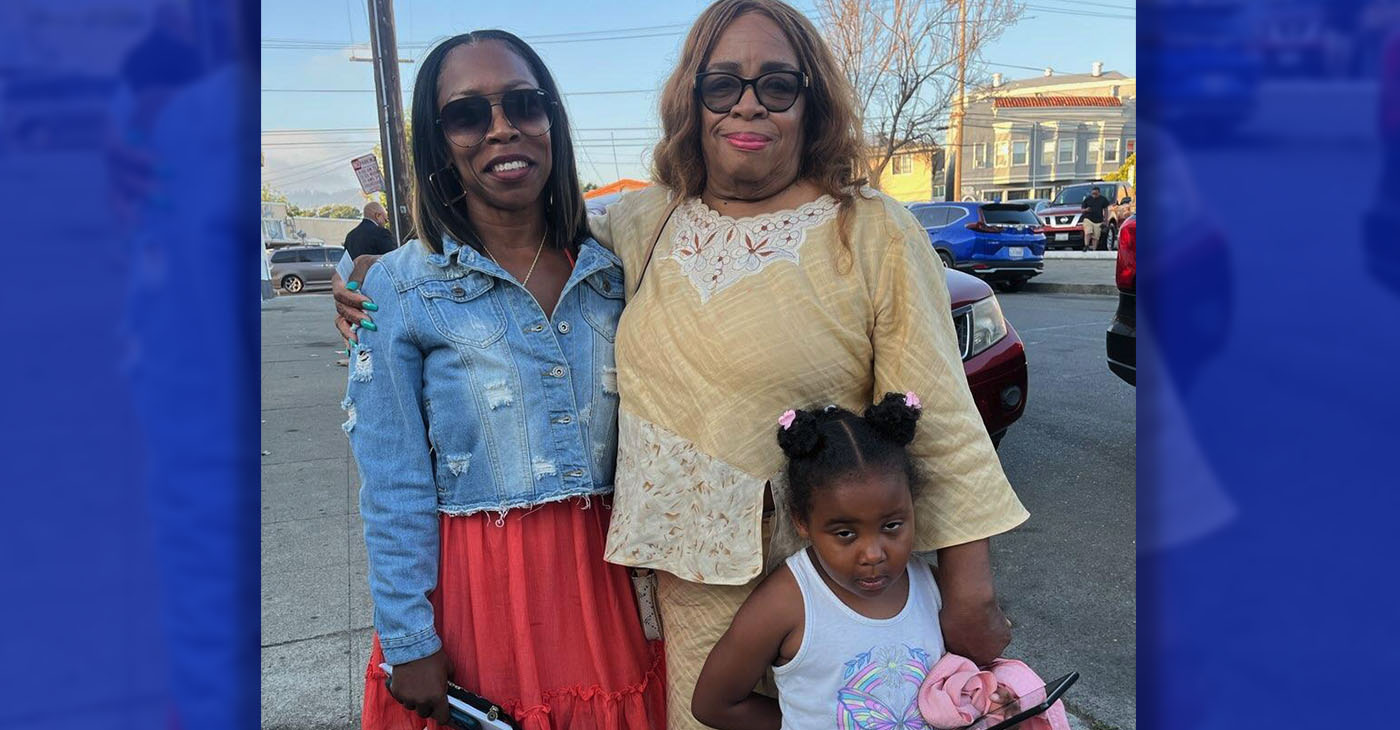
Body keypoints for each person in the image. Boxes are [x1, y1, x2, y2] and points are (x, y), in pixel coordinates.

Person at [336, 4, 1027, 727]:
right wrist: (375, 267)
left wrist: (970, 588)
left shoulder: (873, 228)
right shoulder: (643, 224)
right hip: (686, 591)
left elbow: (938, 417)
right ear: (691, 102)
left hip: (838, 581)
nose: (749, 104)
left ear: (811, 100)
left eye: (778, 85)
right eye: (722, 84)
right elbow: (508, 236)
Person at [342, 30, 664, 730]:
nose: (502, 128)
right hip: (473, 600)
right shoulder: (400, 286)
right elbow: (392, 479)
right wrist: (407, 638)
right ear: (438, 140)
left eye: (524, 103)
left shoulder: (615, 269)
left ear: (552, 121)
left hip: (604, 591)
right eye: (467, 114)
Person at [691, 393, 947, 730]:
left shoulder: (931, 586)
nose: (873, 554)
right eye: (845, 534)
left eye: (892, 526)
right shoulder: (787, 601)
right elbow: (714, 704)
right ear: (802, 522)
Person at [1080, 186, 1110, 251]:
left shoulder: (1103, 199)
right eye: (1093, 193)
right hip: (1088, 218)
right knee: (1088, 231)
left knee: (1096, 236)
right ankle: (1086, 245)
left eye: (1096, 194)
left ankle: (1094, 249)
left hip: (1099, 220)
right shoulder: (1087, 199)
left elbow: (1106, 210)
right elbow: (1082, 210)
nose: (1094, 195)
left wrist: (1106, 221)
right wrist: (1086, 210)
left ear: (1099, 193)